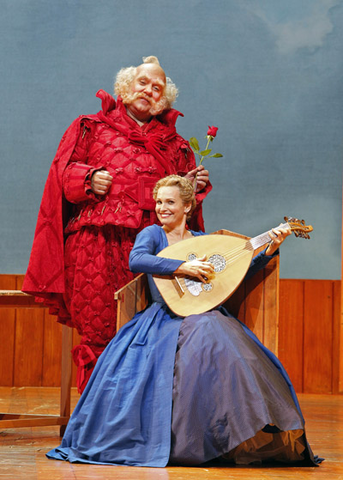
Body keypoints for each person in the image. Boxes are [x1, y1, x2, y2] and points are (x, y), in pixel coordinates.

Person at [46, 175, 321, 467]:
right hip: (163, 319)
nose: (162, 208)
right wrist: (182, 266)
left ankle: (232, 435)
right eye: (159, 202)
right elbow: (136, 260)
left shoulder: (202, 240)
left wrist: (268, 250)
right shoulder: (153, 234)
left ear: (187, 206)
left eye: (170, 202)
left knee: (231, 350)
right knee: (205, 333)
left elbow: (233, 274)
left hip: (203, 314)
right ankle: (179, 442)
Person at [22, 56, 211, 392]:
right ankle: (96, 429)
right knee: (99, 331)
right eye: (143, 83)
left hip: (156, 248)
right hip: (97, 244)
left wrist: (191, 187)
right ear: (125, 87)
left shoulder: (178, 146)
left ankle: (144, 427)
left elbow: (184, 209)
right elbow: (61, 176)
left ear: (164, 100)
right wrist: (88, 178)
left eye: (157, 88)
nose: (149, 91)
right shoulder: (91, 128)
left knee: (157, 332)